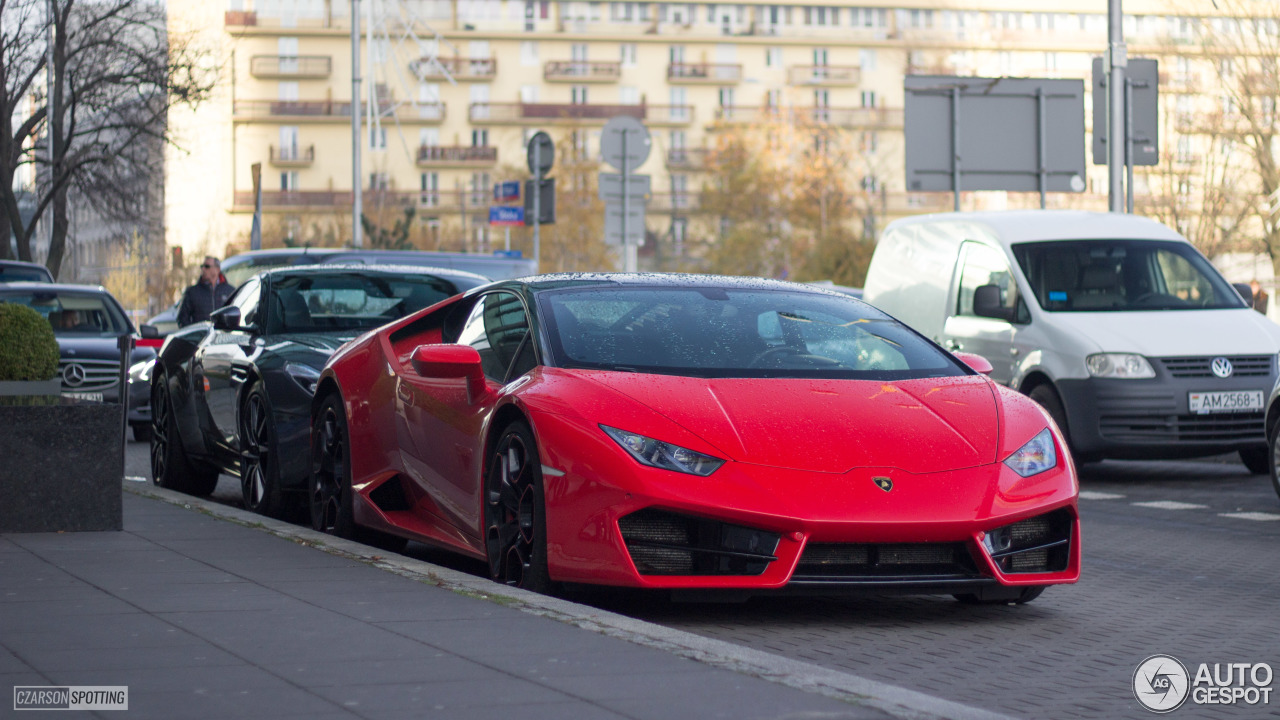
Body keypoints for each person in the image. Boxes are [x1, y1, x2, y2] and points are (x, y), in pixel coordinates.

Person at [177, 256, 235, 327]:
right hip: (201, 337)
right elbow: (182, 319)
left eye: (207, 266)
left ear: (217, 269)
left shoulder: (230, 291)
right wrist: (194, 334)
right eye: (202, 266)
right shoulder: (192, 292)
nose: (203, 269)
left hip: (222, 337)